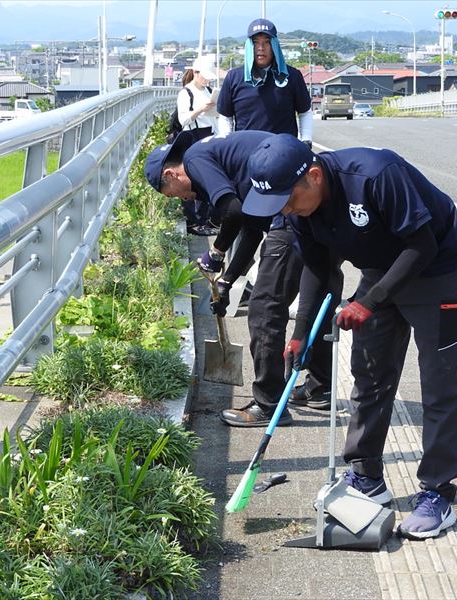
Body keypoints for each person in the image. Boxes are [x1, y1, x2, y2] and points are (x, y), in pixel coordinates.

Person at [242, 134, 457, 540]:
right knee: (369, 378)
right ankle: (367, 478)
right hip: (379, 272)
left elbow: (421, 245)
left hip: (438, 270)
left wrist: (368, 302)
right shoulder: (300, 210)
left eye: (287, 199)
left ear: (314, 177)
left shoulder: (375, 175)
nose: (283, 209)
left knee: (438, 387)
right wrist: (302, 336)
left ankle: (437, 493)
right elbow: (319, 269)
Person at [200, 17, 336, 427]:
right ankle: (319, 386)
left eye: (267, 41)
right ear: (247, 46)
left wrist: (304, 144)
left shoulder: (289, 77)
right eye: (255, 41)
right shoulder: (236, 79)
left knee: (268, 304)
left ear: (275, 45)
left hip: (287, 178)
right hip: (263, 181)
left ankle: (270, 401)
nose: (261, 47)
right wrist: (228, 142)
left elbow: (306, 113)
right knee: (319, 291)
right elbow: (223, 118)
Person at [177, 57, 219, 237]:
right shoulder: (186, 93)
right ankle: (194, 221)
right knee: (194, 180)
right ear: (195, 72)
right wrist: (201, 109)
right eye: (205, 76)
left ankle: (204, 219)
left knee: (207, 179)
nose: (207, 80)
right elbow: (183, 120)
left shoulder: (209, 90)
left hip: (210, 136)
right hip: (193, 137)